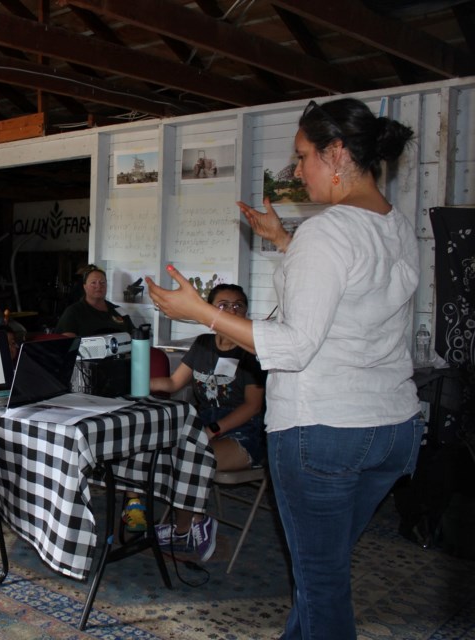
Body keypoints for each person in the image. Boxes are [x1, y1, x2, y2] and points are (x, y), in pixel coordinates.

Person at [147, 97, 422, 640]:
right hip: (394, 429)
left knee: (321, 584)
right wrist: (280, 240)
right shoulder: (395, 224)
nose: (296, 171)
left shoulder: (329, 231)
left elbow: (294, 347)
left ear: (337, 152)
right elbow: (352, 286)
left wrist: (200, 311)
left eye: (302, 157)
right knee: (325, 571)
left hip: (324, 432)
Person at [122, 284, 266, 560]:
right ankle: (141, 508)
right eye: (223, 305)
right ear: (211, 310)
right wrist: (132, 382)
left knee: (191, 457)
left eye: (238, 305)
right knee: (151, 445)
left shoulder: (251, 352)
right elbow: (174, 383)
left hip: (243, 432)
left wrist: (213, 430)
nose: (232, 310)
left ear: (246, 311)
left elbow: (253, 406)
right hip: (204, 427)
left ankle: (187, 527)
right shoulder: (202, 345)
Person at [56, 265, 135, 337]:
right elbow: (67, 345)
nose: (99, 286)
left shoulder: (118, 310)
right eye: (93, 283)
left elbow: (135, 335)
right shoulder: (73, 312)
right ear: (85, 287)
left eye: (102, 282)